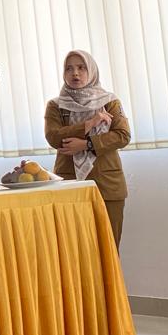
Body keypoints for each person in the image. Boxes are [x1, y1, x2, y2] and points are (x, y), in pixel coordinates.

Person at [45, 50, 131, 248]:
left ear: (91, 71)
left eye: (81, 67)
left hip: (108, 186)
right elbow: (54, 137)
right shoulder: (55, 106)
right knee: (75, 250)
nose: (75, 73)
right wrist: (89, 124)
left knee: (108, 249)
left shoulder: (109, 101)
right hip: (70, 184)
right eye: (69, 68)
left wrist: (87, 144)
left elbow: (122, 135)